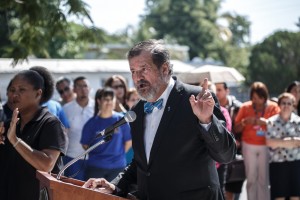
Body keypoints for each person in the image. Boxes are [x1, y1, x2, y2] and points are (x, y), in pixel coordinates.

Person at [83, 39, 236, 200]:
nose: (137, 77)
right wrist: (115, 185)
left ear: (164, 69)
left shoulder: (197, 99)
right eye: (133, 71)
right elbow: (142, 164)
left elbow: (226, 155)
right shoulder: (137, 111)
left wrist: (207, 121)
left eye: (143, 69)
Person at [0, 67, 68, 200]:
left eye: (21, 90)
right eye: (12, 90)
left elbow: (47, 164)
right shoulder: (8, 124)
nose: (15, 95)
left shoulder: (51, 124)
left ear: (38, 94)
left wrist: (15, 140)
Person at [235, 81, 280, 200]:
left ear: (265, 97)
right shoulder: (245, 107)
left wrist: (265, 122)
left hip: (266, 145)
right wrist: (245, 122)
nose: (257, 101)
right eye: (254, 98)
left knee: (263, 178)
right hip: (249, 144)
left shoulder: (273, 107)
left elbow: (279, 125)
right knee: (251, 177)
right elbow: (236, 128)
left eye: (260, 98)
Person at [81, 87, 132, 181]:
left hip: (117, 167)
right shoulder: (91, 123)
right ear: (99, 101)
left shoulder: (122, 120)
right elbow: (85, 144)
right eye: (106, 99)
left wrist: (116, 155)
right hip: (95, 167)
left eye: (111, 99)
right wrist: (99, 155)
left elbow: (128, 142)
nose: (109, 102)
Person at [266, 92, 300, 200]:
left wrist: (279, 142)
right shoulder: (271, 122)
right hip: (277, 164)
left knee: (296, 196)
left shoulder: (298, 121)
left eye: (289, 103)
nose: (286, 106)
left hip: (296, 163)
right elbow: (269, 142)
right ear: (279, 105)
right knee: (279, 196)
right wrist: (291, 141)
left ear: (293, 105)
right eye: (284, 103)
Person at [215, 82, 244, 200]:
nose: (216, 93)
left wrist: (237, 141)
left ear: (227, 91)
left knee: (232, 188)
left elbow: (241, 127)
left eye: (219, 90)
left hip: (233, 151)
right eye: (215, 89)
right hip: (217, 153)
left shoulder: (237, 107)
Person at [62, 76, 94, 180]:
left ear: (89, 88)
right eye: (79, 86)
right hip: (72, 158)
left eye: (85, 86)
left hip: (94, 158)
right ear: (74, 89)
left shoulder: (98, 106)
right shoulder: (66, 109)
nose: (83, 89)